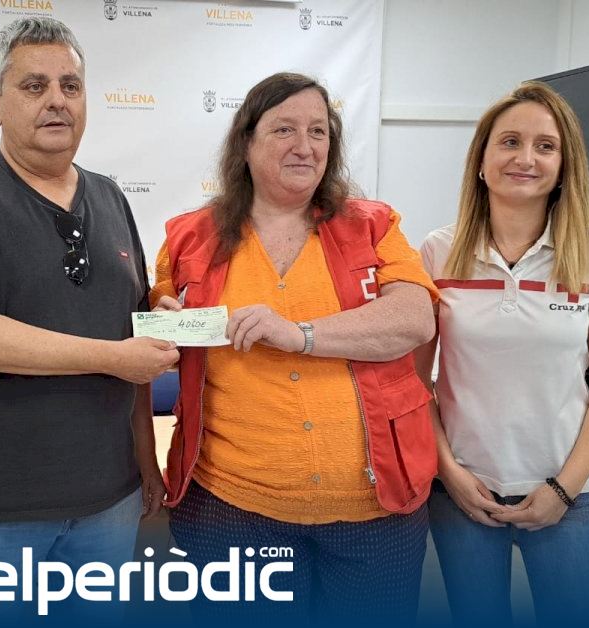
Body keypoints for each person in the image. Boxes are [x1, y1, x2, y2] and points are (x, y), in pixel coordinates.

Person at [0, 17, 178, 622]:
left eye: (70, 86)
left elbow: (130, 336)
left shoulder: (110, 196)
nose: (56, 100)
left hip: (109, 500)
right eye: (34, 86)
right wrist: (113, 356)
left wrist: (144, 454)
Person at [150, 72, 439, 624]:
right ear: (246, 143)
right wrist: (166, 325)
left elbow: (414, 318)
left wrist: (300, 335)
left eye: (318, 131)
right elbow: (165, 323)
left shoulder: (375, 225)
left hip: (375, 511)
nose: (305, 146)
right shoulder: (188, 237)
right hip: (231, 509)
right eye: (284, 129)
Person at [415, 81, 589, 627]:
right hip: (464, 493)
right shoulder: (437, 252)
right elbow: (414, 385)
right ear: (482, 160)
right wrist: (448, 472)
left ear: (564, 166)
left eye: (545, 146)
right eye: (510, 141)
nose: (526, 158)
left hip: (570, 492)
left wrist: (564, 488)